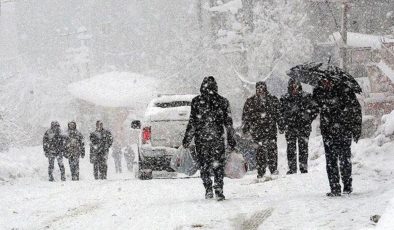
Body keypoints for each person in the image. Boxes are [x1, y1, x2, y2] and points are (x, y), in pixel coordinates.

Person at [183, 76, 236, 201]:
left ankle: (208, 189)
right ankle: (218, 189)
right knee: (218, 166)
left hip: (202, 139)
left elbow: (192, 123)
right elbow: (228, 124)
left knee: (204, 165)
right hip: (217, 139)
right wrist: (231, 139)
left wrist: (187, 139)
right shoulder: (223, 101)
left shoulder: (196, 102)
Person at [313, 78, 362, 196]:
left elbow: (355, 110)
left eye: (328, 81)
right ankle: (334, 187)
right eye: (323, 81)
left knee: (344, 159)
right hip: (328, 132)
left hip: (343, 131)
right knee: (331, 161)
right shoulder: (319, 92)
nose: (326, 83)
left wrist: (356, 129)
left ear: (333, 80)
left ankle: (347, 186)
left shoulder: (345, 91)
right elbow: (313, 109)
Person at [242, 81, 282, 178]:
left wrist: (281, 125)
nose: (260, 90)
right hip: (257, 131)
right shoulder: (250, 101)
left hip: (270, 129)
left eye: (262, 88)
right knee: (260, 151)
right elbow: (246, 116)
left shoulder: (272, 100)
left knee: (272, 149)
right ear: (256, 89)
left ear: (265, 88)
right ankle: (261, 171)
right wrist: (245, 128)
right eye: (258, 88)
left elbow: (279, 114)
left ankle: (273, 169)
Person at [280, 79, 318, 174]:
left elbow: (315, 109)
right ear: (289, 88)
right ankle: (292, 169)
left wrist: (308, 118)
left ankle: (303, 167)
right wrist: (285, 121)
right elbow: (280, 112)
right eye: (292, 87)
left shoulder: (307, 97)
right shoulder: (284, 98)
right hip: (290, 127)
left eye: (296, 86)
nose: (294, 89)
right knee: (291, 148)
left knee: (303, 148)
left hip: (303, 127)